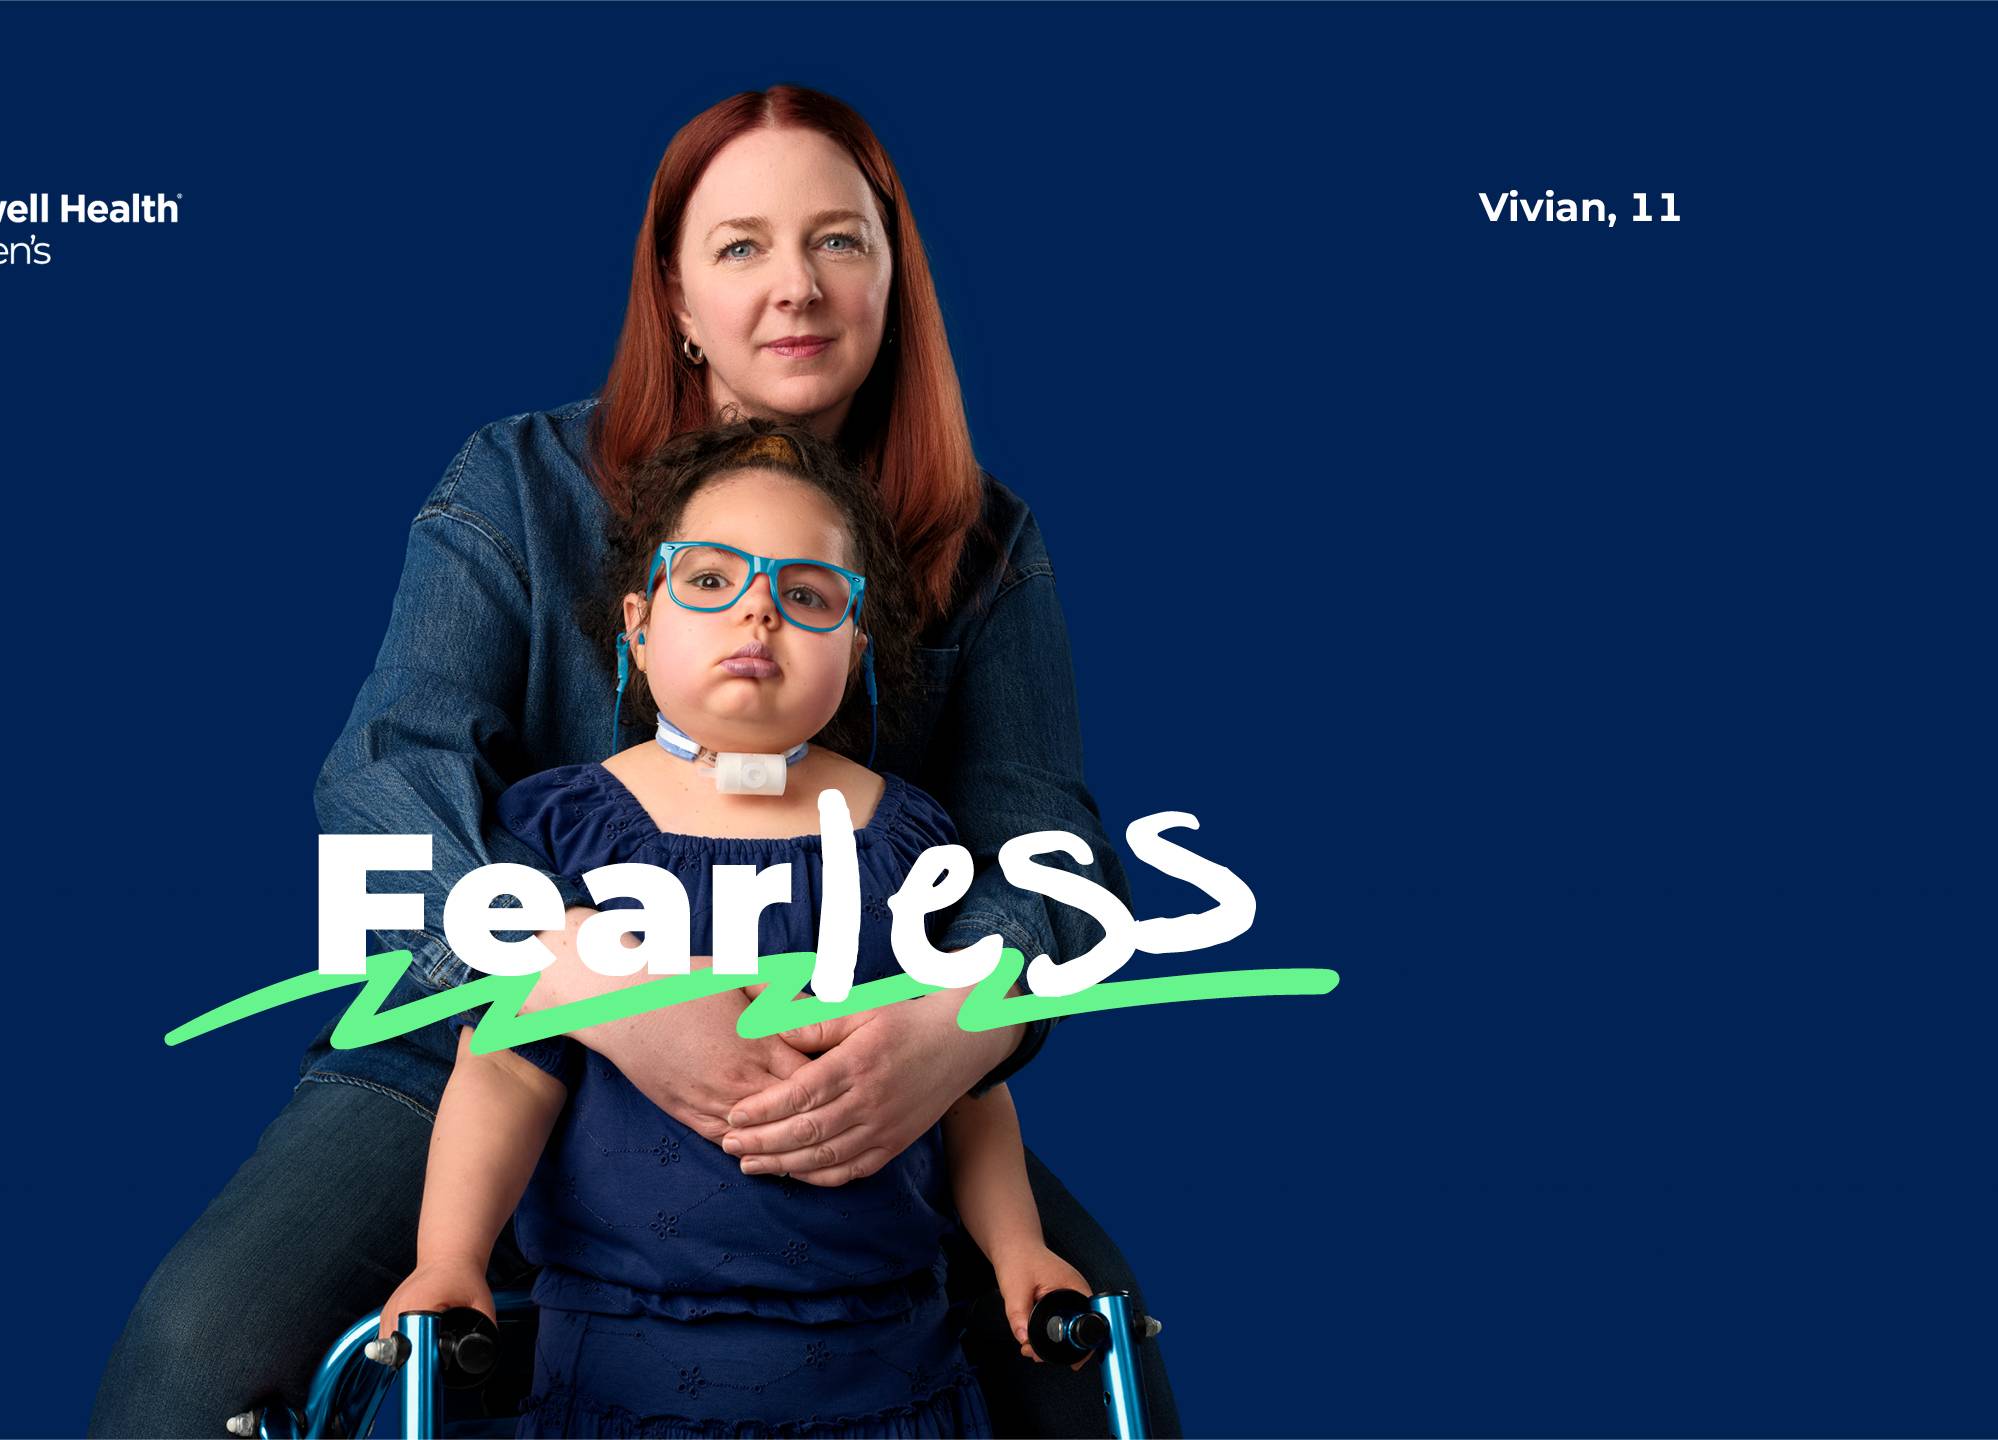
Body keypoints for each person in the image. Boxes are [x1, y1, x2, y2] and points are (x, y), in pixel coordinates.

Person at [90, 84, 1182, 1437]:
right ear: (673, 294)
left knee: (1094, 1358)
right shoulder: (517, 486)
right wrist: (577, 979)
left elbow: (1052, 851)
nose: (796, 286)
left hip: (831, 1059)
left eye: (840, 241)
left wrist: (957, 1025)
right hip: (488, 1033)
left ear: (896, 277)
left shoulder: (985, 541)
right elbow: (387, 773)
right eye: (741, 246)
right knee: (196, 1356)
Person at [380, 420, 1092, 1437]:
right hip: (627, 1357)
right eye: (709, 581)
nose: (758, 610)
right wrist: (447, 1259)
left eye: (804, 595)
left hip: (883, 1357)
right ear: (637, 625)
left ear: (855, 645)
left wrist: (1018, 1248)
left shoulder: (907, 841)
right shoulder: (564, 831)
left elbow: (963, 1078)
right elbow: (499, 1068)